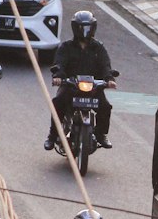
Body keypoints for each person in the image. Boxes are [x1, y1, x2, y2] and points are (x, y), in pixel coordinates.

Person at [45, 11, 116, 151]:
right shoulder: (66, 47)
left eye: (88, 28)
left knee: (106, 106)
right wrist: (58, 77)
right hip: (71, 86)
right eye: (82, 28)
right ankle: (52, 136)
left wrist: (109, 79)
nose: (85, 31)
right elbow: (59, 63)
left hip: (93, 88)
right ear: (74, 28)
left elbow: (105, 65)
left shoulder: (99, 47)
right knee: (57, 103)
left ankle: (101, 134)